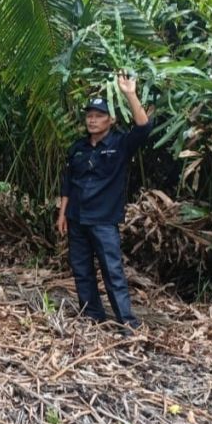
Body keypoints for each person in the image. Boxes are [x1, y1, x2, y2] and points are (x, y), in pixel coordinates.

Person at [57, 73, 152, 331]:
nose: (92, 120)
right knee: (81, 270)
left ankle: (127, 323)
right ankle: (92, 317)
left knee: (112, 271)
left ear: (111, 120)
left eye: (99, 116)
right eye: (89, 115)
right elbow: (68, 182)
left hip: (103, 220)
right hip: (76, 217)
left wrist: (130, 94)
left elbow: (143, 128)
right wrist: (62, 213)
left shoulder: (120, 144)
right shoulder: (78, 148)